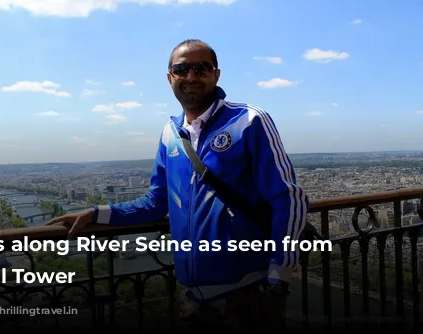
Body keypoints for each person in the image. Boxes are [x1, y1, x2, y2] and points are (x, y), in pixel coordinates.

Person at [46, 39, 309, 332]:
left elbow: (290, 198)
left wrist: (278, 276)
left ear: (216, 75)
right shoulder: (170, 134)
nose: (191, 76)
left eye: (201, 68)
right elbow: (156, 202)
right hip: (192, 296)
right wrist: (96, 214)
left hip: (249, 291)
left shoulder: (248, 120)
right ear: (170, 78)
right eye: (182, 69)